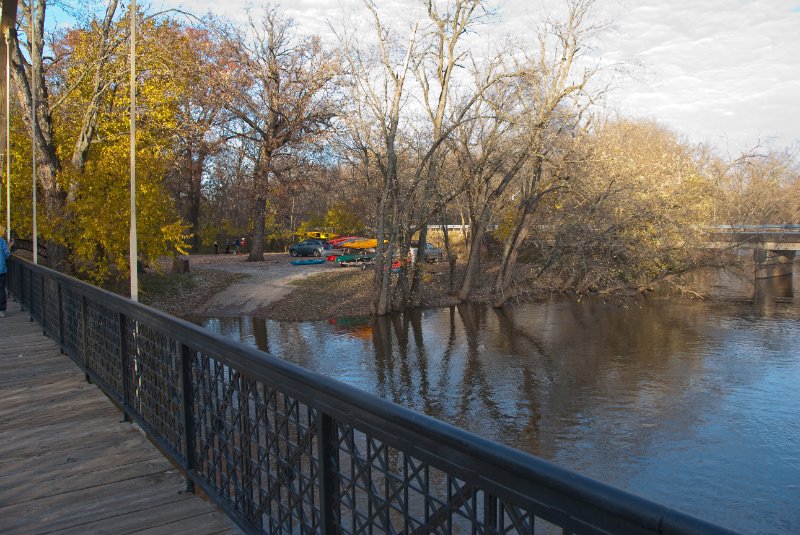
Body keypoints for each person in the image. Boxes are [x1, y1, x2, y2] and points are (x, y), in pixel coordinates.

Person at [0, 225, 13, 318]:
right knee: (1, 289)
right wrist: (9, 247)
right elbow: (7, 254)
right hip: (1, 270)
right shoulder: (2, 242)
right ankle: (2, 310)